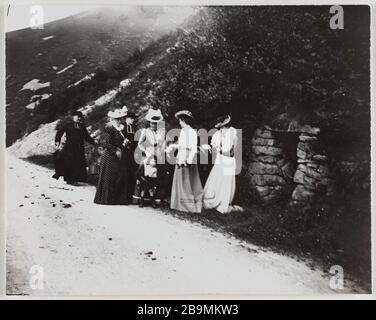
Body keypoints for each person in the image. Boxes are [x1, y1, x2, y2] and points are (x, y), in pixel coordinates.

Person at [94, 107, 136, 205]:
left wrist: (125, 143)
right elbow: (106, 143)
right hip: (109, 155)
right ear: (112, 119)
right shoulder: (109, 128)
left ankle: (119, 199)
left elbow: (120, 141)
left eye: (120, 118)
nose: (119, 120)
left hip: (119, 155)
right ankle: (107, 199)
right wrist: (116, 150)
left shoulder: (121, 128)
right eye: (117, 119)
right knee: (110, 176)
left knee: (121, 175)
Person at [203, 115, 238, 213]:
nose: (221, 130)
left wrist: (218, 150)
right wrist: (211, 148)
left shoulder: (232, 134)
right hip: (220, 161)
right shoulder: (217, 135)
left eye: (223, 127)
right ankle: (213, 200)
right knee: (216, 180)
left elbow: (231, 152)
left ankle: (223, 202)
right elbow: (214, 148)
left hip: (228, 161)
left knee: (225, 182)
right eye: (220, 128)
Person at [169, 110, 203, 213]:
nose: (179, 122)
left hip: (187, 156)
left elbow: (193, 147)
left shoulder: (192, 132)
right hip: (182, 154)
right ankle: (179, 203)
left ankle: (188, 205)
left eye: (180, 120)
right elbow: (181, 145)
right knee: (181, 179)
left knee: (187, 181)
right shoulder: (183, 131)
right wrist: (173, 146)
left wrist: (188, 159)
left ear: (184, 120)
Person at [133, 108, 166, 206]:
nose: (153, 125)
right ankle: (140, 198)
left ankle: (156, 198)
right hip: (148, 154)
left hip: (158, 155)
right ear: (149, 123)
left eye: (155, 123)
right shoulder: (145, 131)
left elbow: (164, 143)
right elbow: (139, 144)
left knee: (158, 176)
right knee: (143, 175)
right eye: (152, 123)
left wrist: (162, 150)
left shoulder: (162, 131)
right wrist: (145, 151)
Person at [54, 110, 96, 185]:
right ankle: (69, 179)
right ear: (73, 117)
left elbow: (87, 137)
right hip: (69, 147)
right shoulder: (68, 125)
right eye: (77, 117)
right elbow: (59, 132)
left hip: (79, 148)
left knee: (77, 163)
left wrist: (94, 142)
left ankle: (74, 179)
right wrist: (57, 141)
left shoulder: (82, 127)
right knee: (69, 162)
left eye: (80, 117)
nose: (79, 118)